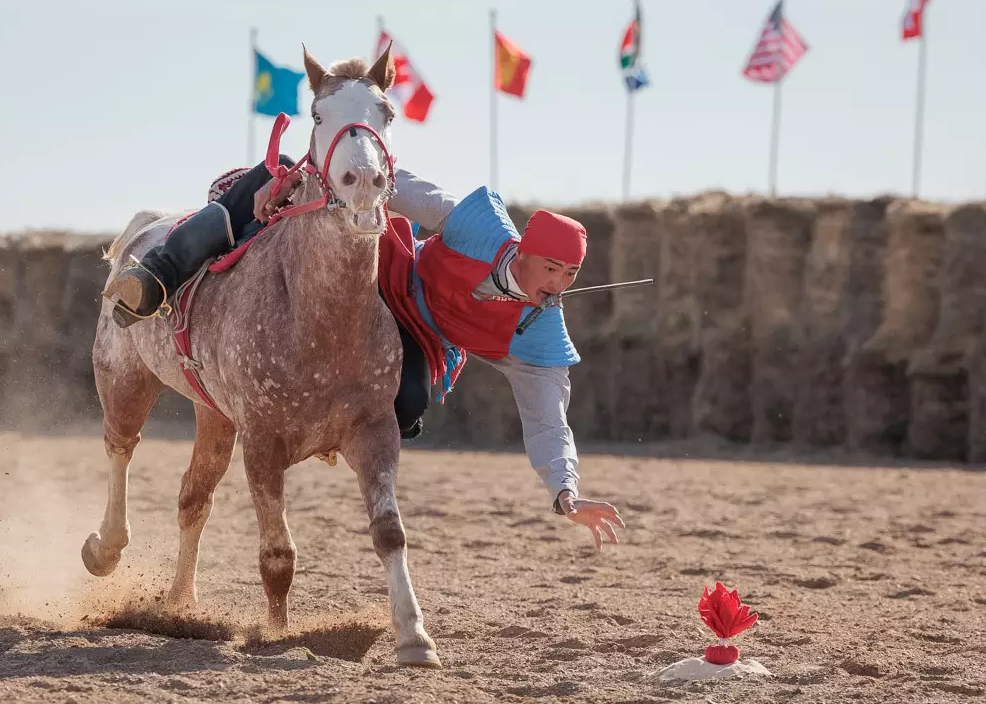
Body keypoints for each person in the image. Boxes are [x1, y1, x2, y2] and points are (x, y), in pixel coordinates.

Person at [103, 164, 627, 550]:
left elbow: (548, 419)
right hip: (380, 278)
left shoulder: (540, 332)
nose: (557, 285)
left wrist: (566, 491)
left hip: (414, 335)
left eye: (570, 275)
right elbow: (399, 187)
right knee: (280, 191)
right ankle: (160, 272)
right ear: (525, 251)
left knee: (407, 404)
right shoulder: (480, 225)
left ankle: (332, 433)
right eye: (551, 269)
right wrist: (320, 175)